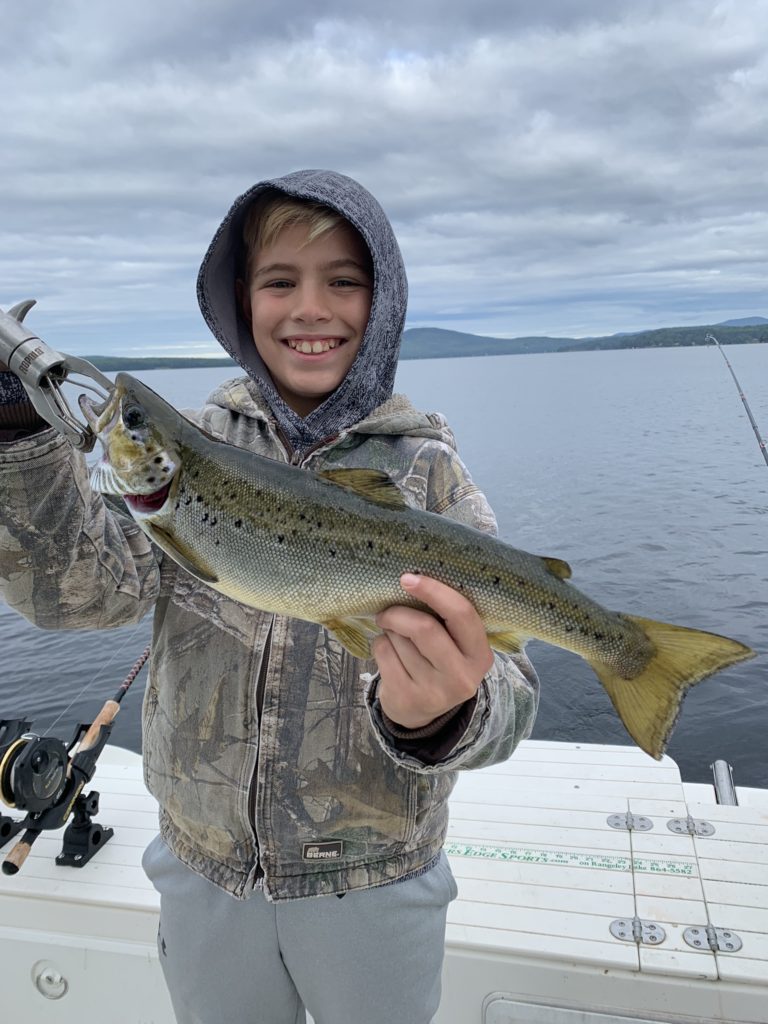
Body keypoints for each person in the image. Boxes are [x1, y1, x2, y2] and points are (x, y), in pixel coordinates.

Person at [0, 170, 539, 1024]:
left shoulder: (429, 471)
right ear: (239, 303)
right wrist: (20, 437)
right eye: (279, 281)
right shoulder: (195, 449)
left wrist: (439, 715)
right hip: (203, 872)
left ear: (385, 300)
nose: (310, 308)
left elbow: (514, 694)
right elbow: (79, 597)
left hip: (377, 882)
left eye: (344, 282)